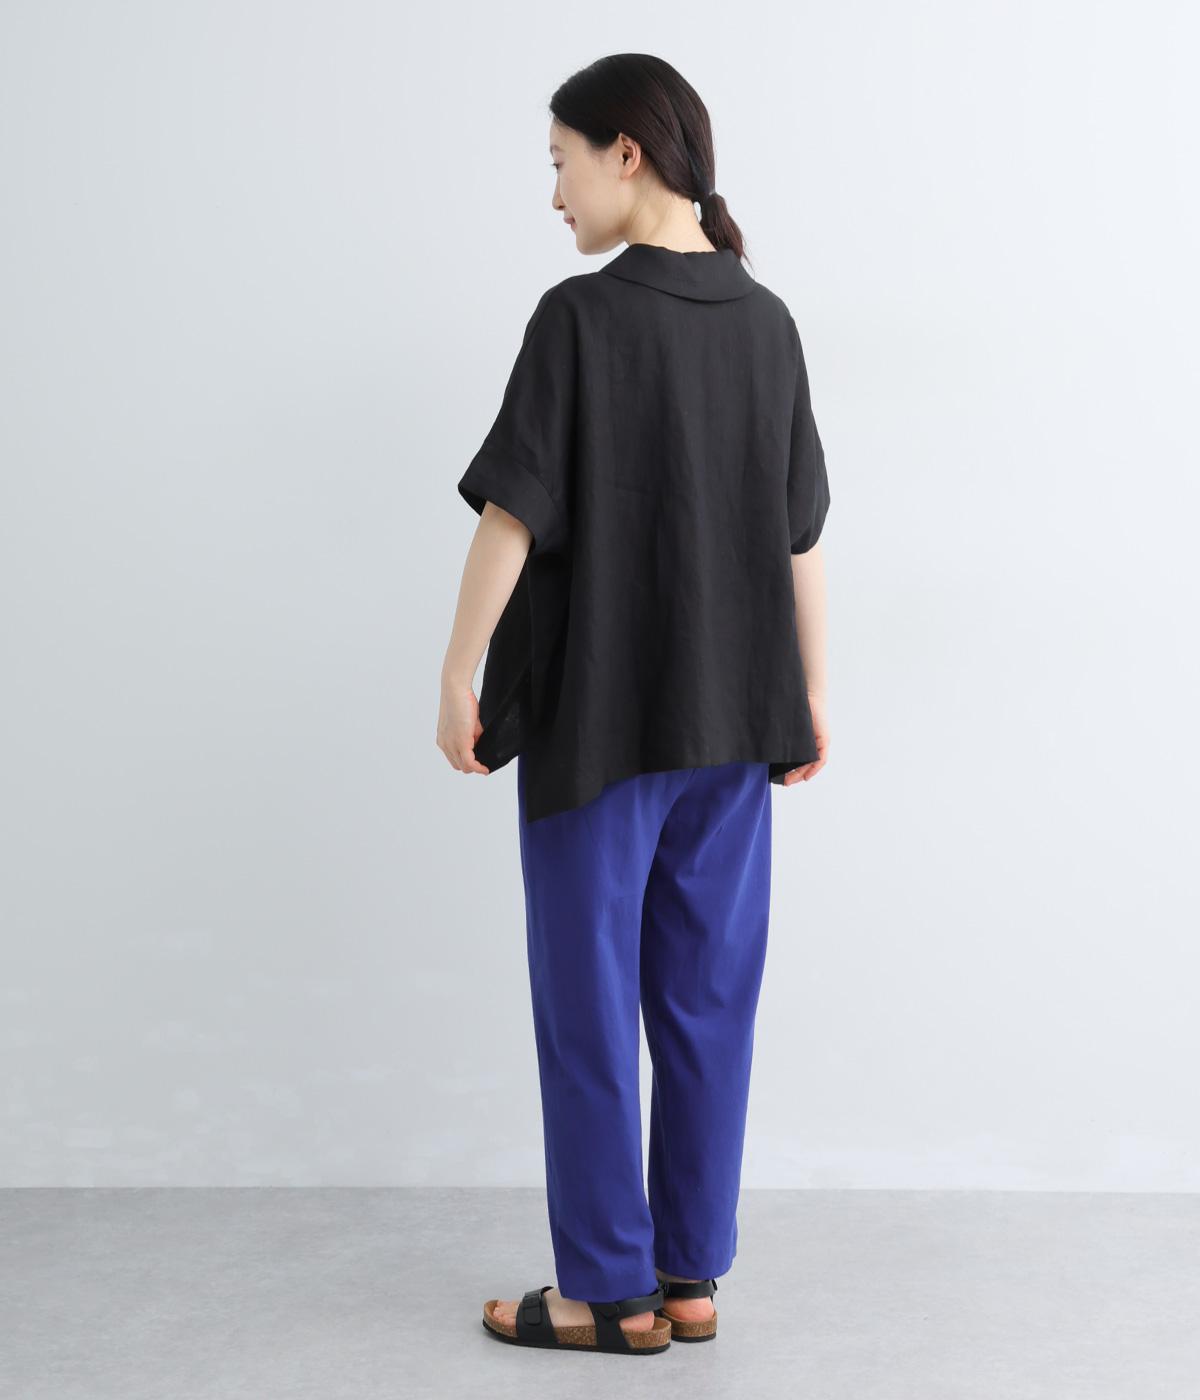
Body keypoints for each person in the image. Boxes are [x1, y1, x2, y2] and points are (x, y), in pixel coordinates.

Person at [438, 53, 831, 1358]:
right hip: (735, 722)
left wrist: (457, 671)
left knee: (590, 1006)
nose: (553, 193)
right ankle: (689, 1274)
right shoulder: (767, 321)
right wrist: (812, 693)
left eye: (561, 161)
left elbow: (514, 511)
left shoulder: (580, 319)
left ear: (627, 152)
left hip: (598, 727)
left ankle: (605, 1294)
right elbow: (799, 535)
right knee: (710, 1001)